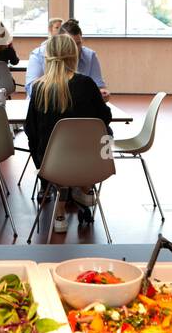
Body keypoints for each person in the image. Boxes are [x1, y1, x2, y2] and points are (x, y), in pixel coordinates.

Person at [24, 34, 113, 231]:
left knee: (47, 143)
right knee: (105, 133)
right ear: (74, 55)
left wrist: (41, 164)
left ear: (47, 57)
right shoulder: (87, 84)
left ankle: (61, 204)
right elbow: (104, 118)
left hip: (52, 164)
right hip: (90, 162)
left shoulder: (39, 88)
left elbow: (30, 129)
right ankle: (83, 187)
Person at [26, 19, 108, 100]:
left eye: (78, 43)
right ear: (60, 42)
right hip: (44, 105)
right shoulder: (38, 54)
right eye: (70, 44)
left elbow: (99, 86)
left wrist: (102, 93)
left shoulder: (90, 56)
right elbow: (32, 90)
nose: (75, 49)